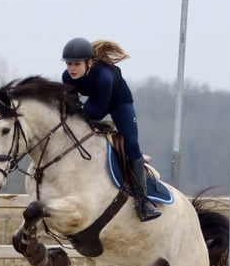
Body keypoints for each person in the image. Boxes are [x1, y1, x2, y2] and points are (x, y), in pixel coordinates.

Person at [60, 37, 161, 222]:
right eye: (69, 64)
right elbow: (71, 105)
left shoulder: (104, 77)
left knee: (131, 144)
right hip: (97, 101)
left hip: (119, 103)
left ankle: (143, 200)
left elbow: (97, 112)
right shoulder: (67, 77)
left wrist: (79, 107)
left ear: (89, 63)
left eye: (76, 64)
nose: (71, 68)